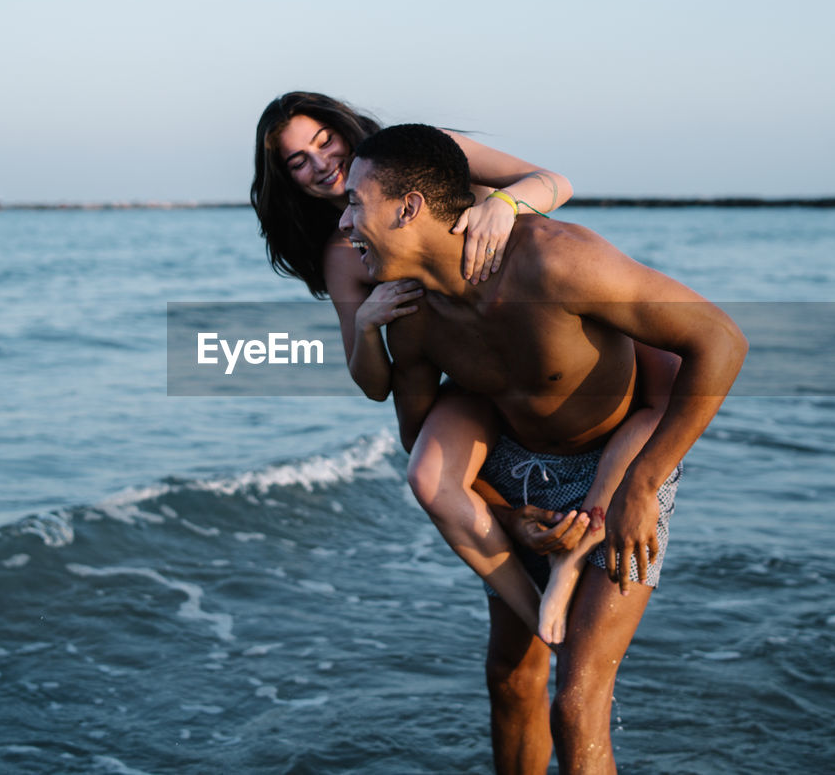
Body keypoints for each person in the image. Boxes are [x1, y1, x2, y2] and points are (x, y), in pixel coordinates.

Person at [340, 124, 747, 774]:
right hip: (517, 473)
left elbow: (721, 341)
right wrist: (505, 513)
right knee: (509, 677)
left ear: (409, 206)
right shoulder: (411, 318)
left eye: (355, 202)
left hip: (625, 465)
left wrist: (643, 485)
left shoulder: (554, 261)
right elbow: (422, 443)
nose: (344, 222)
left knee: (576, 700)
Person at [252, 93, 676, 640]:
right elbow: (375, 385)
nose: (320, 163)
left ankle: (580, 552)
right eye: (298, 161)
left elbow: (554, 181)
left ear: (344, 128)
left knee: (652, 402)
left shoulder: (432, 155)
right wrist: (366, 326)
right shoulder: (344, 253)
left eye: (323, 142)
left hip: (549, 333)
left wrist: (506, 204)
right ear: (287, 179)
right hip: (477, 374)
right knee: (427, 475)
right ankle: (540, 620)